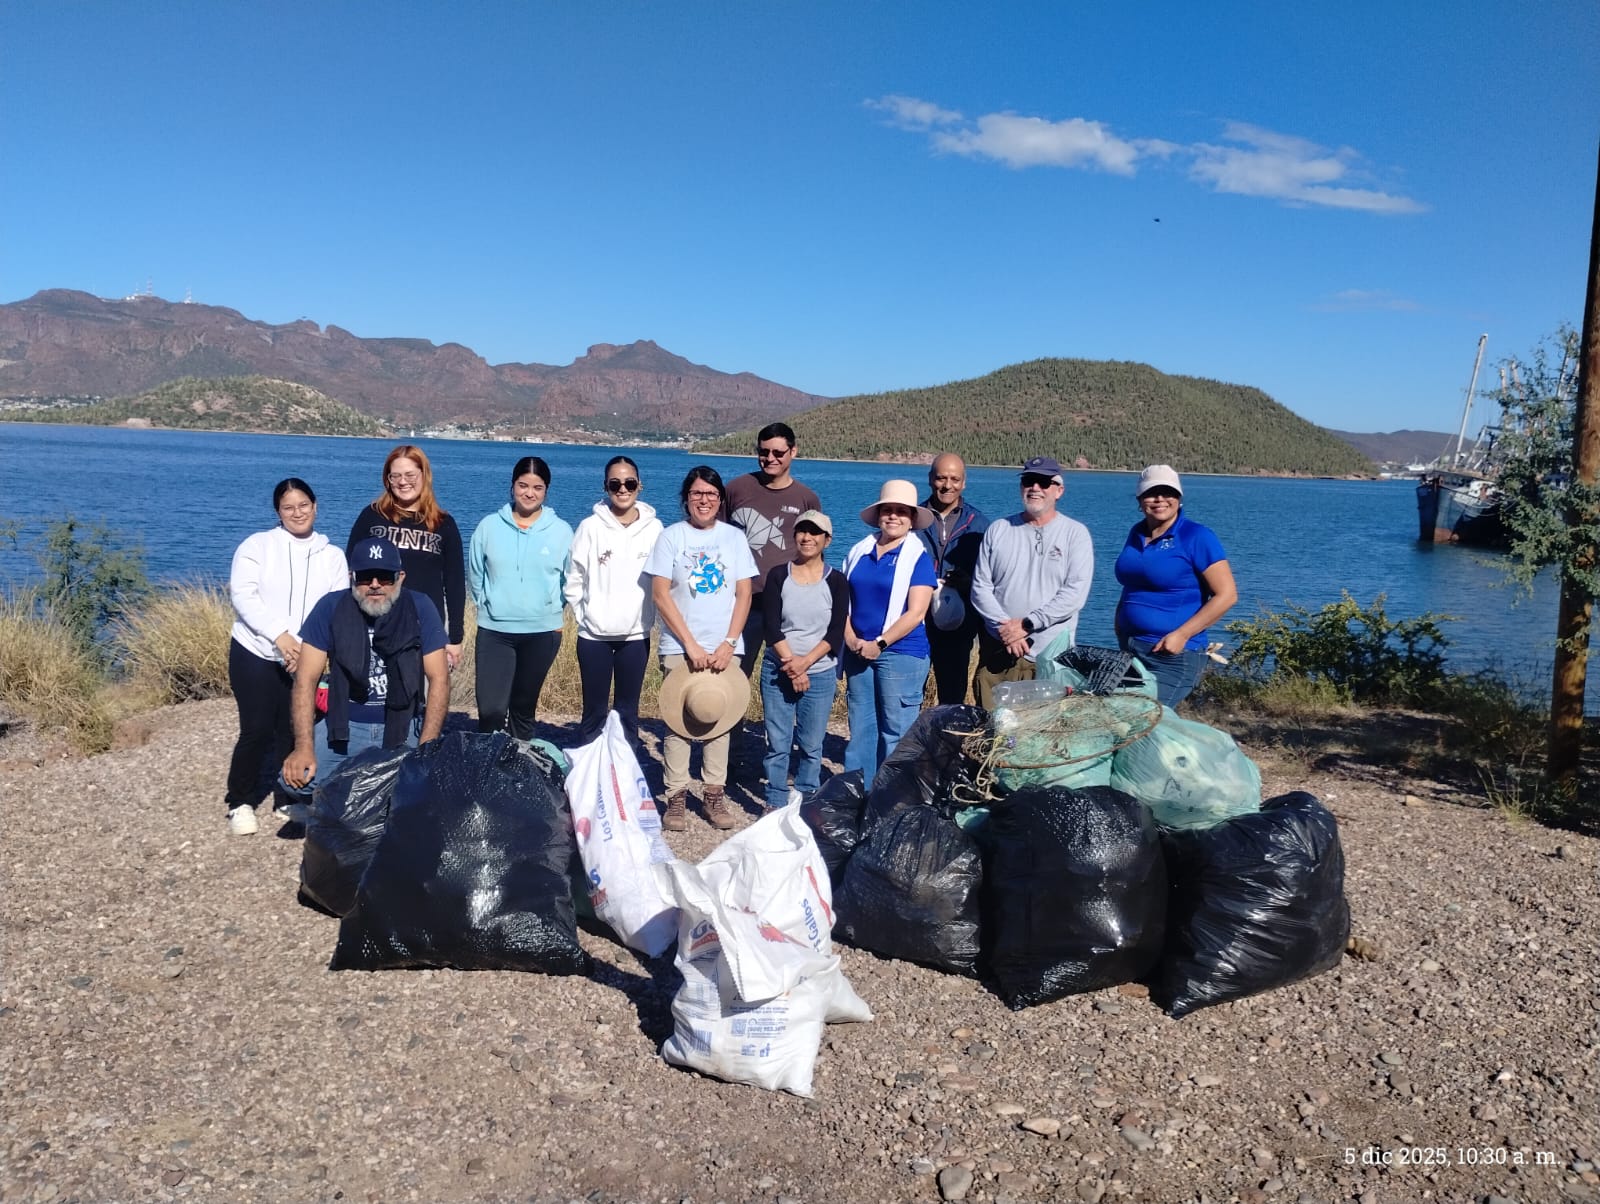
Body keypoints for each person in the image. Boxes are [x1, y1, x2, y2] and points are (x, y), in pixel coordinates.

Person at [280, 537, 450, 801]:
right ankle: (369, 790)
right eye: (365, 577)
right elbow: (305, 680)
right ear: (352, 577)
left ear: (400, 577)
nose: (375, 585)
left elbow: (439, 679)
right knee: (296, 780)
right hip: (347, 725)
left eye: (385, 577)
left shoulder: (420, 606)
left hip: (403, 724)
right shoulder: (331, 607)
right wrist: (303, 747)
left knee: (432, 784)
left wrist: (426, 745)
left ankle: (365, 792)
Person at [224, 478, 349, 835]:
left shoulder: (332, 556)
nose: (297, 513)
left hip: (306, 656)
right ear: (278, 512)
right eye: (288, 507)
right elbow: (244, 595)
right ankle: (240, 801)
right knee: (257, 728)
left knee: (295, 729)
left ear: (315, 506)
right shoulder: (257, 546)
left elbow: (337, 607)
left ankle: (287, 796)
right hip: (256, 650)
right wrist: (280, 636)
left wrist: (308, 650)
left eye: (303, 505)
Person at [646, 466, 759, 832]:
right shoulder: (670, 537)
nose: (704, 500)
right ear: (686, 499)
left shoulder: (734, 538)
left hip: (725, 645)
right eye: (697, 493)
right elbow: (660, 594)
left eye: (711, 494)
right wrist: (690, 644)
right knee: (678, 721)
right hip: (680, 645)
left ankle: (713, 794)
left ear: (720, 499)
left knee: (718, 718)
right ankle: (676, 797)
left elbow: (744, 593)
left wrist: (729, 642)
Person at [969, 456, 1095, 709]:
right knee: (994, 726)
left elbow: (1074, 594)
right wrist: (1006, 630)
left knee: (1044, 728)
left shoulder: (1075, 534)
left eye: (1044, 482)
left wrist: (1027, 624)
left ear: (1059, 490)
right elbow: (980, 587)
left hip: (1050, 658)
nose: (1035, 488)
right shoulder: (999, 529)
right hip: (999, 652)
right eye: (1029, 481)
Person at [1114, 464, 1238, 708]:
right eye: (1151, 493)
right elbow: (1133, 581)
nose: (1160, 499)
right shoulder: (1136, 532)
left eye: (1168, 492)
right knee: (1117, 716)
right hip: (1132, 649)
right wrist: (1120, 625)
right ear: (1139, 499)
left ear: (1179, 498)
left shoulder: (1196, 536)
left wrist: (1182, 635)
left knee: (1142, 718)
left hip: (1172, 655)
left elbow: (1227, 595)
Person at [468, 456, 573, 739]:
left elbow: (569, 580)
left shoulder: (561, 531)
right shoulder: (489, 526)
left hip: (542, 633)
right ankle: (487, 763)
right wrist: (489, 605)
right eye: (523, 485)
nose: (529, 493)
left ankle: (518, 763)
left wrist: (551, 611)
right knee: (491, 710)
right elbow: (476, 574)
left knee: (523, 709)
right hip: (495, 631)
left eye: (537, 487)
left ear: (546, 490)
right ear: (512, 486)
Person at [842, 480, 937, 784]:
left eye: (901, 511)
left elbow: (916, 612)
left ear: (912, 518)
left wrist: (880, 644)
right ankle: (858, 790)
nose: (893, 516)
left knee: (895, 730)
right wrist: (851, 638)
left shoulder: (918, 557)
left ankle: (893, 795)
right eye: (888, 510)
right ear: (879, 514)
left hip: (900, 653)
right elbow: (842, 600)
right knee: (861, 727)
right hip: (858, 651)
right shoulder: (859, 551)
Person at [565, 455, 663, 748]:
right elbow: (574, 578)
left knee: (627, 715)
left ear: (639, 485)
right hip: (594, 637)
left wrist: (649, 618)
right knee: (593, 715)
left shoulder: (655, 529)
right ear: (605, 486)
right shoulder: (590, 527)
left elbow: (663, 580)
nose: (622, 489)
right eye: (615, 483)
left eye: (629, 483)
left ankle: (625, 773)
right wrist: (586, 616)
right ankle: (587, 773)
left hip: (635, 636)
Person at [760, 509, 849, 811]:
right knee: (778, 741)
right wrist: (793, 666)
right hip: (778, 669)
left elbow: (835, 632)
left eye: (815, 533)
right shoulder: (778, 575)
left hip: (820, 672)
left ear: (827, 540)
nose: (807, 537)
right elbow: (771, 626)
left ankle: (805, 801)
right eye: (802, 531)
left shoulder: (836, 581)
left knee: (812, 744)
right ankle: (775, 801)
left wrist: (805, 663)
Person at [347, 444, 466, 671]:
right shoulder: (371, 516)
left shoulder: (443, 524)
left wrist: (455, 638)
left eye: (410, 475)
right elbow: (350, 570)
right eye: (395, 476)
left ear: (424, 475)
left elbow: (455, 584)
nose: (403, 482)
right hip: (374, 625)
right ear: (387, 480)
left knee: (425, 691)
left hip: (426, 628)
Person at [722, 422, 821, 677]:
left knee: (788, 671)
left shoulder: (806, 498)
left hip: (788, 601)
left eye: (778, 452)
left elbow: (815, 554)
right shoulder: (736, 489)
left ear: (793, 452)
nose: (770, 458)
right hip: (743, 600)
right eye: (763, 452)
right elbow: (718, 538)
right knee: (733, 672)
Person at [917, 453, 989, 706]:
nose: (948, 485)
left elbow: (990, 578)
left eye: (955, 479)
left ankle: (948, 732)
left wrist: (968, 582)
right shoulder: (913, 519)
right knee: (911, 693)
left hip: (959, 625)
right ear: (930, 479)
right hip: (916, 622)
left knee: (952, 697)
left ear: (964, 482)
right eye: (941, 478)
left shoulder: (979, 524)